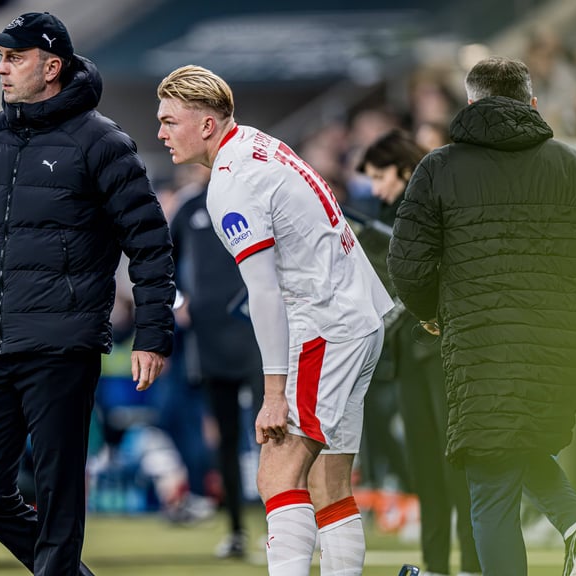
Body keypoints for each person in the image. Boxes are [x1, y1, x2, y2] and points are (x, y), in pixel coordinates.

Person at [0, 12, 175, 576]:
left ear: (52, 68)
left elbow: (150, 246)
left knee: (57, 496)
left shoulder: (103, 143)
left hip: (62, 344)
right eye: (0, 58)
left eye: (15, 57)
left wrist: (152, 333)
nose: (1, 68)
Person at [156, 64, 394, 576]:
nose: (160, 133)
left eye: (170, 121)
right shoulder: (259, 145)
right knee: (329, 482)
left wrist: (273, 393)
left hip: (326, 325)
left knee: (277, 472)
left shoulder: (231, 184)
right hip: (361, 315)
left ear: (206, 125)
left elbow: (263, 293)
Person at [387, 55, 576, 576]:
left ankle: (574, 528)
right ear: (533, 103)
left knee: (491, 477)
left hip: (481, 342)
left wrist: (432, 310)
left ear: (471, 102)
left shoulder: (439, 167)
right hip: (562, 342)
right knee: (516, 442)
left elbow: (405, 263)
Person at [358, 129, 480, 576]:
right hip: (410, 355)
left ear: (406, 169)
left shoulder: (436, 203)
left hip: (444, 354)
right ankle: (435, 565)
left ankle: (470, 563)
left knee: (456, 466)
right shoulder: (387, 217)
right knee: (426, 467)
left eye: (380, 176)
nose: (376, 188)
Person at [169, 163, 263, 558]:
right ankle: (237, 530)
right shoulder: (190, 208)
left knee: (271, 435)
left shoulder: (255, 200)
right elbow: (160, 263)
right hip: (208, 338)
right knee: (223, 437)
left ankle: (285, 526)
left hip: (259, 335)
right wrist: (178, 302)